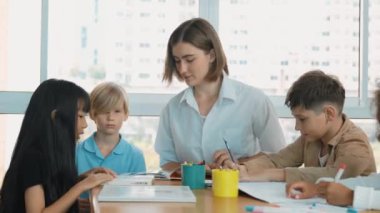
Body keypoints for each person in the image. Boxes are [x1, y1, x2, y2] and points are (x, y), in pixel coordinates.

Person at [154, 17, 286, 173]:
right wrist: (196, 169)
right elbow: (167, 163)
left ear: (211, 55)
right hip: (191, 194)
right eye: (177, 61)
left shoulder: (254, 101)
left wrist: (239, 163)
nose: (182, 69)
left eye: (189, 60)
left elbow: (280, 157)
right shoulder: (173, 109)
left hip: (242, 194)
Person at [225, 70, 376, 183]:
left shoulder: (355, 143)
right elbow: (277, 160)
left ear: (329, 114)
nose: (297, 127)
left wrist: (275, 174)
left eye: (302, 119)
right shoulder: (311, 138)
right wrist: (242, 168)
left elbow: (334, 175)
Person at [0, 79, 115, 213]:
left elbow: (48, 188)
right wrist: (82, 186)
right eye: (80, 116)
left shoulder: (48, 154)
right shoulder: (32, 158)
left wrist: (82, 178)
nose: (85, 124)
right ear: (56, 117)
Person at [286, 88, 380, 210]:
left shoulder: (354, 140)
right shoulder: (311, 138)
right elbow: (375, 182)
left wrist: (351, 197)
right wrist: (319, 189)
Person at [76, 82, 146, 176]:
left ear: (125, 114)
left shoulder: (135, 156)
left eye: (117, 111)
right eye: (104, 111)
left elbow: (140, 190)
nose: (110, 118)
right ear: (93, 114)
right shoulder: (75, 152)